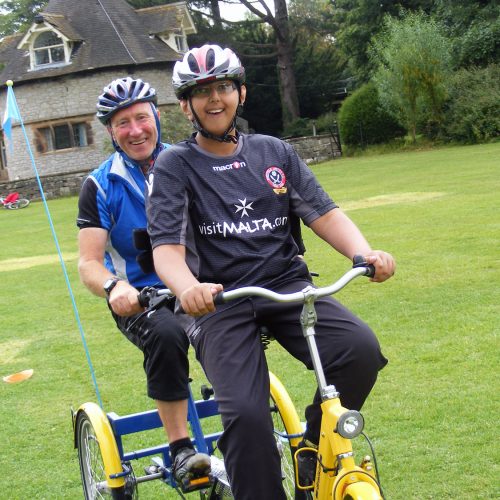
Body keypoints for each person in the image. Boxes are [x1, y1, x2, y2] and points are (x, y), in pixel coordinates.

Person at [147, 45, 396, 500]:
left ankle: (313, 446)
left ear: (240, 92)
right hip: (219, 301)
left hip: (287, 287)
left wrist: (365, 253)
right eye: (201, 92)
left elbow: (324, 214)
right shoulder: (174, 165)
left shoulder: (275, 152)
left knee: (359, 349)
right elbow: (166, 250)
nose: (215, 99)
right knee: (245, 415)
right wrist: (188, 289)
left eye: (223, 86)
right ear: (186, 105)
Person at [76, 76, 211, 484]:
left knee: (237, 328)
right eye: (122, 123)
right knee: (167, 335)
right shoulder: (100, 184)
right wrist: (115, 287)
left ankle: (244, 417)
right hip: (141, 300)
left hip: (198, 285)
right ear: (110, 132)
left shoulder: (191, 160)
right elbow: (89, 262)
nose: (135, 130)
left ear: (157, 116)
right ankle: (181, 450)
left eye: (141, 118)